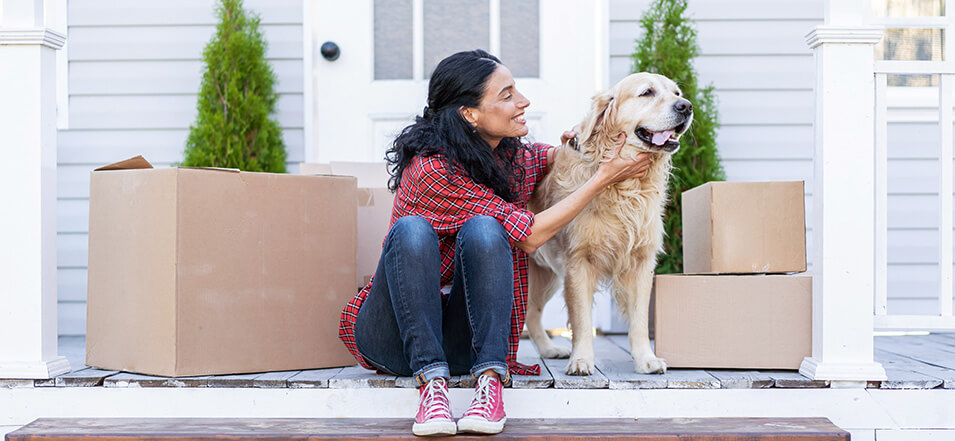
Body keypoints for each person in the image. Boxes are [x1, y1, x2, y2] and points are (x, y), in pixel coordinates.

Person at [338, 49, 651, 436]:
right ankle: (431, 388)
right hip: (394, 337)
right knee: (413, 230)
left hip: (460, 340)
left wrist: (582, 140)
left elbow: (551, 156)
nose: (523, 101)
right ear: (470, 114)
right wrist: (602, 177)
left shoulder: (508, 156)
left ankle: (489, 383)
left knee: (485, 227)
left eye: (517, 90)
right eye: (506, 95)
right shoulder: (432, 170)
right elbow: (531, 233)